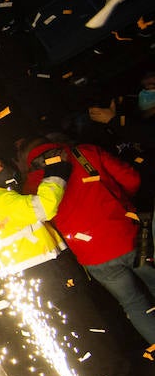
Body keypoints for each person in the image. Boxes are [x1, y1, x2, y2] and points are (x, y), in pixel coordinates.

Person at [0, 155, 155, 376]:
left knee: (69, 330)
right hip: (44, 271)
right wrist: (56, 175)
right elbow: (44, 207)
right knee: (88, 324)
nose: (2, 170)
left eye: (1, 164)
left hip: (31, 274)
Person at [18, 136, 155, 345]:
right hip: (128, 236)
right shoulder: (84, 154)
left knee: (133, 304)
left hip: (93, 257)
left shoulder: (31, 186)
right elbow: (132, 180)